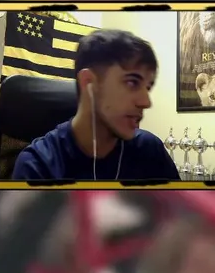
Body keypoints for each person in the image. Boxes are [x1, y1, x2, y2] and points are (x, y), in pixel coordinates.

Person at [12, 29, 180, 182]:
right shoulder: (38, 165)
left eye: (147, 87)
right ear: (88, 82)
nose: (146, 102)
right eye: (132, 82)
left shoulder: (150, 151)